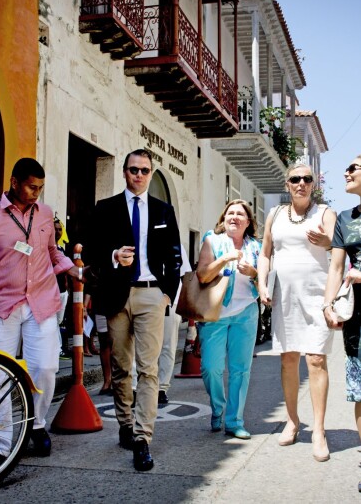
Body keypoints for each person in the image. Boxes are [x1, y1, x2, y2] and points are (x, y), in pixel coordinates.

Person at [0, 157, 81, 458]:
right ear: (14, 182)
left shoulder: (45, 215)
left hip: (41, 301)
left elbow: (53, 252)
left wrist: (73, 269)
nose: (35, 193)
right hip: (1, 306)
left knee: (46, 367)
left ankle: (36, 424)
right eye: (30, 187)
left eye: (40, 188)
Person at [85, 148, 182, 472]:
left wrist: (166, 294)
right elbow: (93, 252)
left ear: (151, 173)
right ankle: (125, 424)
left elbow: (175, 256)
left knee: (148, 369)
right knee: (121, 366)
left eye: (144, 170)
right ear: (124, 172)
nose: (138, 175)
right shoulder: (106, 208)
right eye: (133, 170)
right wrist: (114, 256)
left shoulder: (164, 211)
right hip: (116, 295)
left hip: (150, 295)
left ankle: (143, 439)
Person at [257, 163, 336, 461]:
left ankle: (318, 430)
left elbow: (337, 250)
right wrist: (262, 284)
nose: (301, 183)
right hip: (284, 296)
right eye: (295, 179)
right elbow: (265, 254)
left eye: (306, 179)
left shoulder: (324, 213)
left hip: (316, 296)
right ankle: (292, 421)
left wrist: (328, 242)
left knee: (316, 359)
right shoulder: (276, 214)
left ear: (313, 183)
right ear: (287, 184)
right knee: (289, 359)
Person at [197, 199, 261, 440]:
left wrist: (253, 273)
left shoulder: (256, 246)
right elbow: (202, 275)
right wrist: (225, 259)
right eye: (230, 213)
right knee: (211, 368)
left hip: (246, 314)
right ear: (224, 219)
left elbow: (265, 281)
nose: (234, 217)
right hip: (215, 314)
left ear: (248, 221)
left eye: (240, 214)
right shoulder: (212, 240)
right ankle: (217, 408)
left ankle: (235, 421)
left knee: (240, 370)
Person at [322, 157, 361, 492]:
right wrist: (328, 303)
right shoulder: (346, 219)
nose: (346, 172)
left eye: (354, 167)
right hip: (357, 317)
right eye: (345, 167)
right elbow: (336, 267)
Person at [158, 243, 192, 404]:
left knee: (168, 344)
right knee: (138, 344)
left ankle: (161, 388)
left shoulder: (175, 243)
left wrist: (184, 303)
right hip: (143, 296)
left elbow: (185, 274)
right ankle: (136, 386)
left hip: (170, 299)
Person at [54, 216, 71, 357]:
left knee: (59, 321)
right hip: (51, 291)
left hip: (62, 290)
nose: (58, 232)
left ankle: (58, 347)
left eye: (60, 229)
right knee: (53, 322)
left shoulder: (61, 249)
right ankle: (57, 348)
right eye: (55, 229)